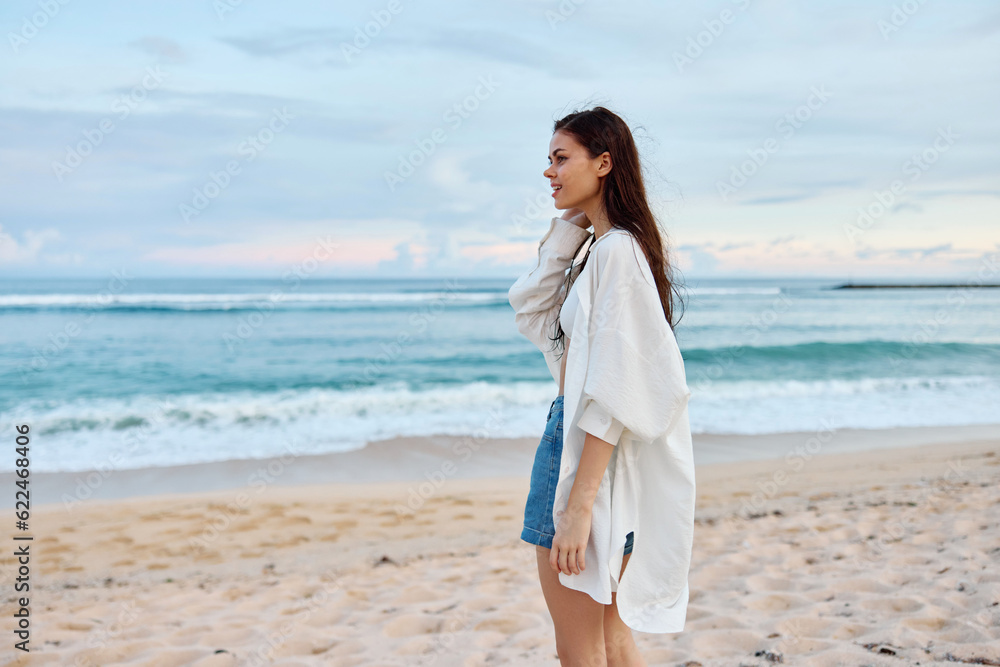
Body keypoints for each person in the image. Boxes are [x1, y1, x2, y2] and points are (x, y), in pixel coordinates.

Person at [509, 106, 694, 666]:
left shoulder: (617, 253)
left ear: (604, 162)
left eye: (561, 158)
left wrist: (578, 506)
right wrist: (570, 230)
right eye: (549, 160)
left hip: (586, 454)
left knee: (580, 648)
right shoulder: (607, 249)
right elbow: (535, 314)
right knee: (611, 638)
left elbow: (618, 390)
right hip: (603, 456)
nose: (549, 172)